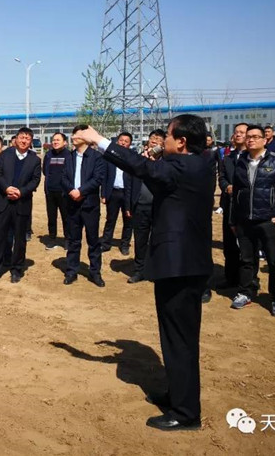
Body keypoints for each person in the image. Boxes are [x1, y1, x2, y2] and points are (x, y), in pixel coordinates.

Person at [75, 114, 215, 431]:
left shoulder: (184, 167)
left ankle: (186, 413)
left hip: (180, 267)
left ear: (182, 142)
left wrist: (99, 141)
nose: (161, 141)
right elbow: (150, 168)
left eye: (167, 136)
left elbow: (141, 168)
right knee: (175, 337)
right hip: (183, 264)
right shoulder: (199, 163)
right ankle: (178, 395)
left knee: (179, 340)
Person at [230, 125, 275, 316]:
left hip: (269, 220)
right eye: (248, 137)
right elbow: (236, 192)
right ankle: (246, 292)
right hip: (244, 220)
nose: (251, 140)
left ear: (265, 140)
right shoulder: (241, 161)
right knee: (246, 259)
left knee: (274, 260)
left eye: (255, 136)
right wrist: (233, 220)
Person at [0, 127, 42, 284]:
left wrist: (21, 192)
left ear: (31, 141)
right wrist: (7, 188)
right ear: (15, 139)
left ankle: (17, 269)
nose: (24, 141)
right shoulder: (6, 154)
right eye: (21, 137)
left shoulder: (35, 160)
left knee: (20, 239)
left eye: (27, 138)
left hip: (22, 203)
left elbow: (35, 181)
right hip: (3, 202)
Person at [62, 125, 106, 287]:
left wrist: (81, 191)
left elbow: (98, 178)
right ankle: (71, 271)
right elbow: (63, 177)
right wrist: (71, 191)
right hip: (72, 203)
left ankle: (95, 272)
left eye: (78, 134)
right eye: (73, 134)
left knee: (93, 240)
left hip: (89, 205)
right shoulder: (69, 157)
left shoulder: (97, 157)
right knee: (73, 240)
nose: (74, 137)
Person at [128, 129, 166, 284]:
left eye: (158, 139)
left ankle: (158, 270)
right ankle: (139, 270)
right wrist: (129, 204)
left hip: (160, 208)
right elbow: (130, 183)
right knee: (140, 240)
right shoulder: (140, 160)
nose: (154, 141)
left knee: (159, 240)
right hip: (140, 206)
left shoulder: (166, 163)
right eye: (152, 138)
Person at [217, 123, 247, 289]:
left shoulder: (252, 158)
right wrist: (226, 186)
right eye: (236, 132)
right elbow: (221, 177)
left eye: (242, 132)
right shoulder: (228, 158)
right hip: (229, 205)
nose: (238, 135)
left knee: (247, 245)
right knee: (229, 244)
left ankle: (248, 280)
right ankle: (231, 277)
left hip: (247, 207)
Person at [100, 131, 138, 255]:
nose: (123, 143)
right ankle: (106, 243)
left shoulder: (133, 158)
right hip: (113, 192)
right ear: (117, 141)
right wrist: (103, 194)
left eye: (126, 141)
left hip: (128, 193)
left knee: (128, 220)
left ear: (130, 144)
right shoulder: (110, 156)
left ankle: (125, 244)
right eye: (121, 140)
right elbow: (104, 176)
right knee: (110, 219)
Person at [42, 132, 69, 250]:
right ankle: (52, 239)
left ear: (65, 142)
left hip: (64, 192)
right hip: (50, 191)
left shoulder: (69, 155)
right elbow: (45, 171)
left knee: (66, 217)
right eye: (54, 140)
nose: (55, 142)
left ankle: (68, 239)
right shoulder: (48, 155)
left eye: (58, 140)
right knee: (51, 216)